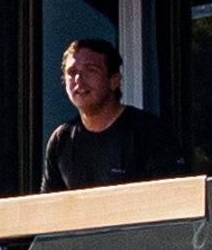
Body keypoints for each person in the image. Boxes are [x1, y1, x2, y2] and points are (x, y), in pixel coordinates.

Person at [38, 34, 189, 190]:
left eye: (91, 70)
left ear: (114, 80)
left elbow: (175, 197)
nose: (78, 80)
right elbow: (49, 208)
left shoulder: (148, 132)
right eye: (72, 72)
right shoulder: (60, 141)